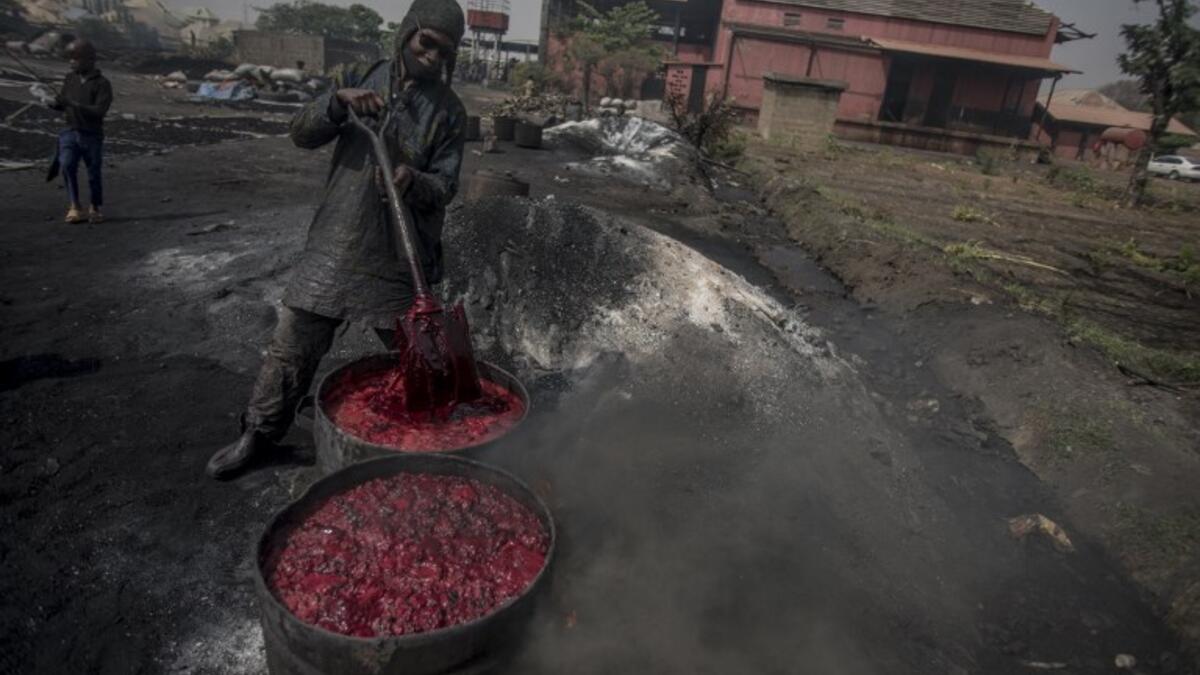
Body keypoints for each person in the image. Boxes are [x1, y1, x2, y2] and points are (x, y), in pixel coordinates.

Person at [206, 0, 469, 479]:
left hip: (399, 252)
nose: (432, 57)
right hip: (338, 238)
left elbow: (447, 185)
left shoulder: (449, 112)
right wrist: (337, 103)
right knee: (293, 346)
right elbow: (301, 134)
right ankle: (260, 434)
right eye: (426, 43)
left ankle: (436, 442)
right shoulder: (357, 73)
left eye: (444, 52)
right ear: (408, 32)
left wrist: (416, 179)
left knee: (420, 353)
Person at [50, 39, 112, 224]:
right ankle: (75, 206)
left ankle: (95, 206)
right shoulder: (70, 79)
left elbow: (99, 111)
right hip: (69, 131)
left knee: (93, 172)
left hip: (91, 134)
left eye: (75, 58)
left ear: (89, 60)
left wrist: (72, 104)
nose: (71, 62)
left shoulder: (102, 84)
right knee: (67, 166)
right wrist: (55, 104)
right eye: (70, 58)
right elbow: (63, 105)